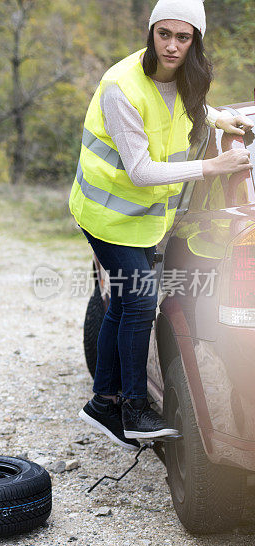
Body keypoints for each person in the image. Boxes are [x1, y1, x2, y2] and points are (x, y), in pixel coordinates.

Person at [69, 0, 254, 451]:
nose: (172, 46)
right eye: (164, 34)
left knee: (124, 303)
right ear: (150, 33)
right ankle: (133, 410)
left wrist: (217, 118)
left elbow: (182, 108)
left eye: (183, 36)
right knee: (140, 301)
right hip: (106, 214)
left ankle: (101, 403)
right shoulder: (121, 87)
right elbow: (141, 171)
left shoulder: (188, 77)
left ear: (196, 40)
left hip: (144, 219)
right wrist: (214, 167)